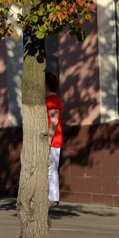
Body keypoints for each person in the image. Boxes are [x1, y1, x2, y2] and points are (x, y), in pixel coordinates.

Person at [47, 72, 64, 205]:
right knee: (50, 168)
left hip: (53, 140)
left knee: (51, 168)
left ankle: (53, 198)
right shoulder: (52, 100)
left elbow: (53, 121)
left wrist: (48, 139)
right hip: (54, 139)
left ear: (46, 85)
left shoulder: (52, 100)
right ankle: (51, 197)